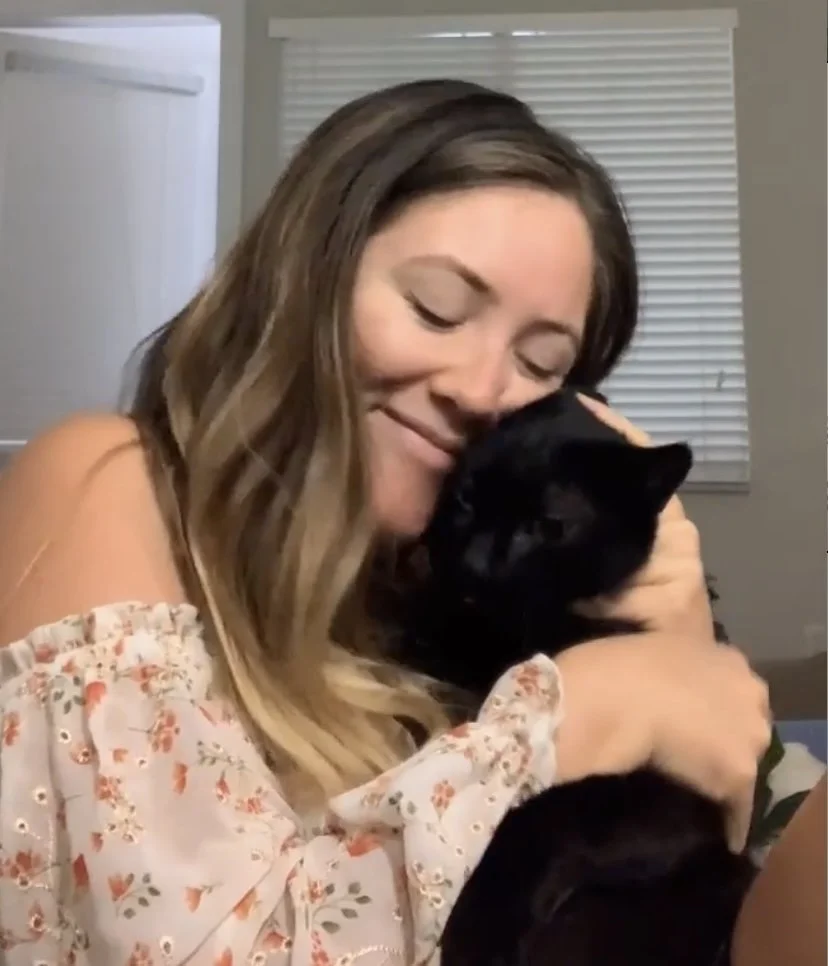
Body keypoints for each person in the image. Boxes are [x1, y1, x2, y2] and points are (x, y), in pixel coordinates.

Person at [0, 79, 820, 965]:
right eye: (436, 308)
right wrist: (571, 721)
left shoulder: (441, 594)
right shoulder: (107, 478)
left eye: (539, 361)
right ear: (304, 271)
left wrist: (670, 642)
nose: (476, 389)